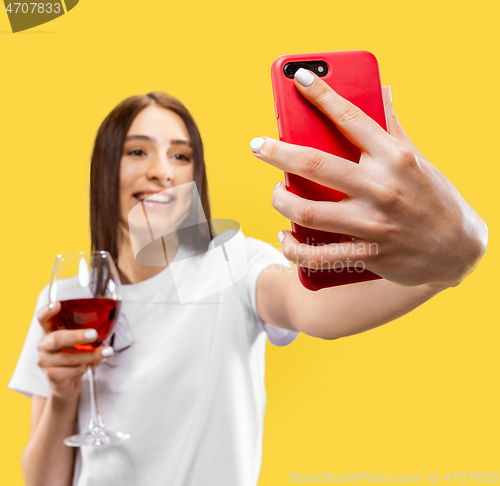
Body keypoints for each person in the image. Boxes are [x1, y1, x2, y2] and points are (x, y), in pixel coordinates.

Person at [8, 69, 487, 486]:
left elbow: (315, 308)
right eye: (137, 151)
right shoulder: (65, 296)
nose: (161, 173)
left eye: (180, 156)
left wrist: (447, 262)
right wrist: (62, 393)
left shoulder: (233, 264)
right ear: (104, 168)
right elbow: (45, 481)